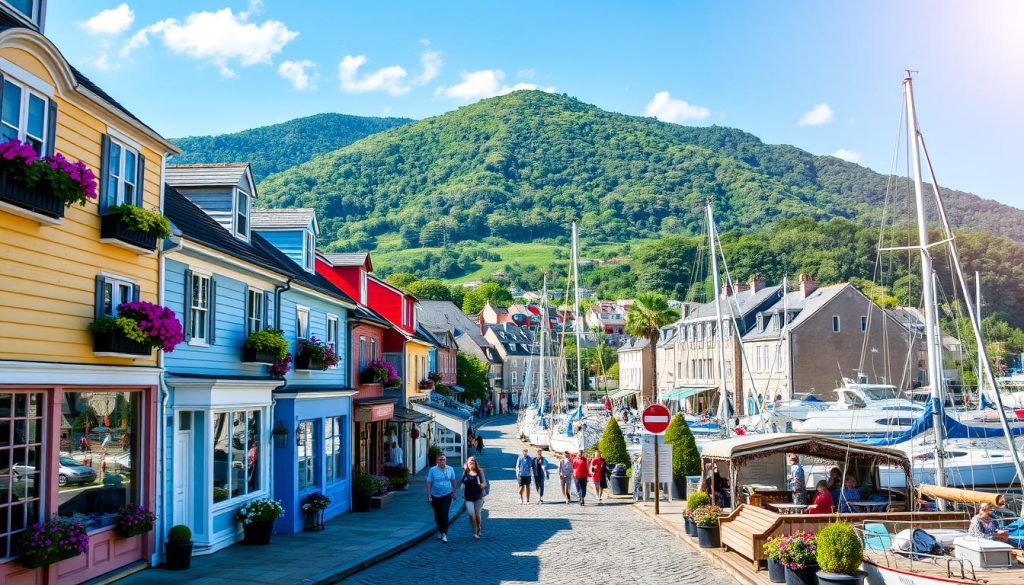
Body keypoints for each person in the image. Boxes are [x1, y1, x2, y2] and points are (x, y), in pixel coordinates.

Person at [426, 454, 458, 543]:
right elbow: (429, 483)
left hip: (447, 494)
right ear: (437, 461)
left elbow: (454, 481)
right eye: (439, 460)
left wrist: (454, 492)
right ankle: (440, 530)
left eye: (443, 459)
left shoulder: (450, 469)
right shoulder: (432, 470)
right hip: (435, 495)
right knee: (437, 515)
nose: (441, 461)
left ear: (446, 460)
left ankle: (444, 534)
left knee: (444, 513)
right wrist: (429, 496)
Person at [461, 456, 487, 539]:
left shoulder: (479, 472)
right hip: (468, 496)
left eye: (473, 462)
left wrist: (482, 486)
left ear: (475, 463)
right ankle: (475, 532)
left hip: (478, 495)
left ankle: (479, 526)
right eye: (469, 463)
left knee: (477, 513)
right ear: (467, 464)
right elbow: (463, 483)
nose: (471, 464)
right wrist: (462, 492)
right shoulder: (465, 472)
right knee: (471, 514)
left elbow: (484, 483)